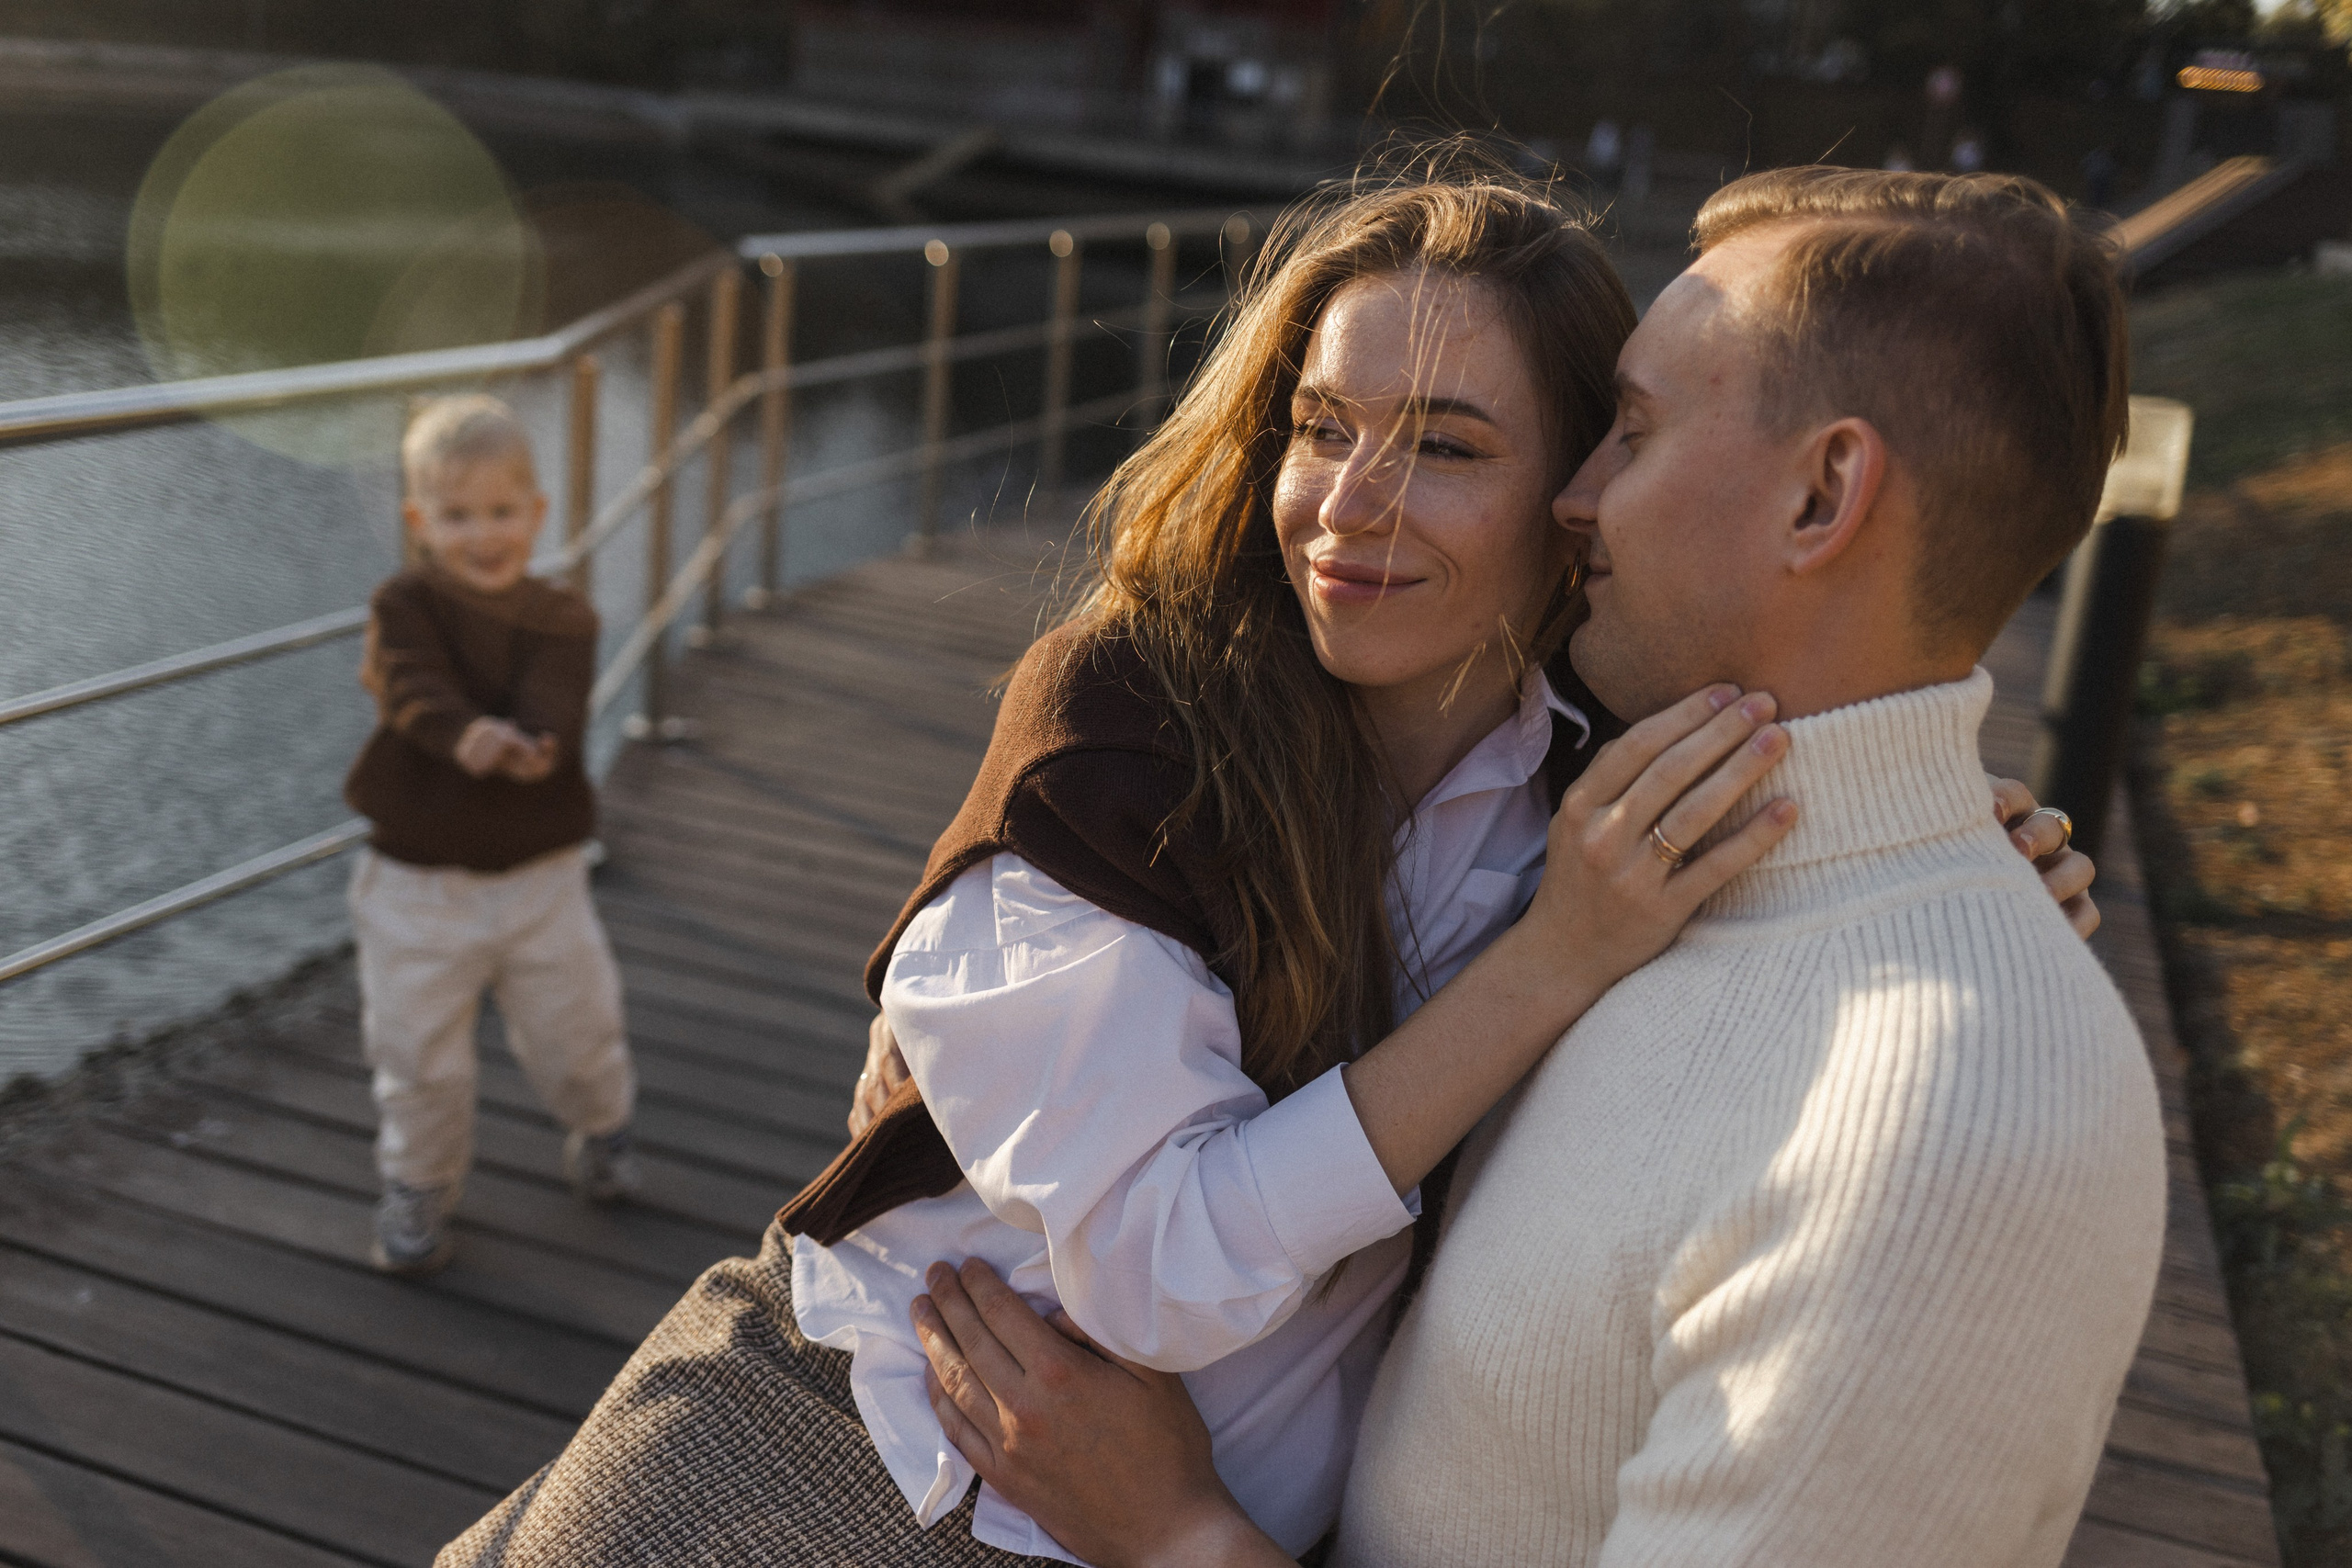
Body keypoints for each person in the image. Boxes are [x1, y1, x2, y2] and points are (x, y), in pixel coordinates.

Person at [440, 174, 2097, 1567]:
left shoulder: (1596, 776)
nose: (1348, 506)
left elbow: (1825, 738)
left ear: (1579, 493)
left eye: (1446, 446)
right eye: (1320, 426)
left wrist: (1959, 857)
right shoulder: (1128, 723)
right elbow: (1159, 1269)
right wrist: (1548, 963)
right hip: (881, 1469)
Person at [907, 167, 2165, 1568]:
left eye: (1631, 432)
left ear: (1823, 494)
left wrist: (1183, 1536)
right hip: (951, 1445)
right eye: (1319, 427)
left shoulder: (1945, 1120)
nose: (1581, 498)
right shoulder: (1651, 847)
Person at [346, 393, 639, 1276]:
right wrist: (464, 732)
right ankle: (419, 1181)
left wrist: (535, 744)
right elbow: (409, 682)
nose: (484, 534)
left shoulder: (565, 615)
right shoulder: (403, 603)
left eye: (502, 510)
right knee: (417, 1056)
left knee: (578, 1029)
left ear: (537, 512)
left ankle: (602, 1126)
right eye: (457, 515)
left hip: (542, 877)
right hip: (417, 886)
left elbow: (556, 697)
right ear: (419, 522)